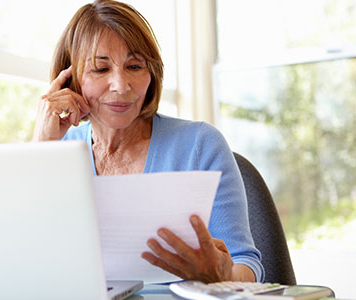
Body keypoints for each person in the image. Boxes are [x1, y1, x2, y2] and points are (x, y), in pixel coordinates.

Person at [33, 0, 264, 283]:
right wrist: (42, 150)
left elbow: (246, 267)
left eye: (134, 66)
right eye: (101, 69)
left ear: (151, 74)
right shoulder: (54, 152)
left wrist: (221, 275)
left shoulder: (200, 145)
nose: (121, 85)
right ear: (71, 80)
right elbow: (30, 260)